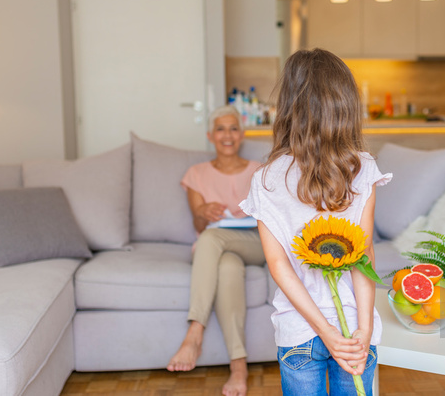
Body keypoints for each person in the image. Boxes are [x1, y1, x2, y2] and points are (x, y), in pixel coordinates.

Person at [240, 48, 392, 395]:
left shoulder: (266, 180)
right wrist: (365, 329)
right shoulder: (362, 168)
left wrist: (324, 331)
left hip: (298, 329)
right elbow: (363, 257)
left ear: (290, 106)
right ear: (346, 106)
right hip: (356, 330)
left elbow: (280, 268)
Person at [166, 105, 265, 396]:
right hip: (218, 247)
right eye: (220, 129)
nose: (227, 134)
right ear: (210, 135)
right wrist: (203, 211)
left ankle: (195, 331)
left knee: (210, 240)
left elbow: (271, 221)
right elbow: (198, 221)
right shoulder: (195, 174)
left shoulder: (259, 172)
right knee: (227, 267)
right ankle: (239, 367)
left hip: (254, 242)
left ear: (242, 134)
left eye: (233, 128)